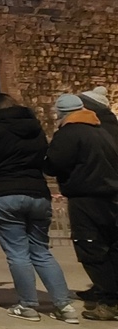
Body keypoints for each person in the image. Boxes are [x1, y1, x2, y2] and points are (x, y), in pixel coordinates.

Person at [0, 92, 77, 323]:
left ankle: (27, 305)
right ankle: (65, 305)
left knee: (17, 252)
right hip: (37, 193)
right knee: (41, 251)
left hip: (3, 192)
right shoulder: (36, 129)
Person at [44, 94, 118, 321]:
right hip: (112, 197)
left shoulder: (69, 133)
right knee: (112, 246)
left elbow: (53, 164)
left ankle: (110, 301)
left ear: (62, 113)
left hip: (85, 198)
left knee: (91, 248)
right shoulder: (101, 131)